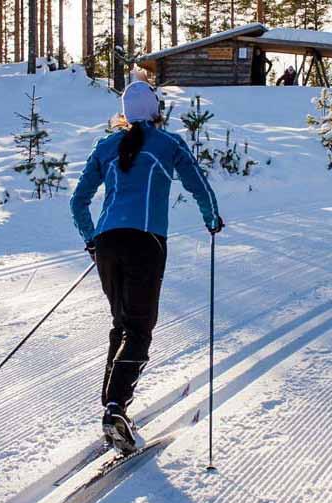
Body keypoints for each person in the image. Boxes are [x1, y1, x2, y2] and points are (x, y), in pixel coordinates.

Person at [70, 81, 223, 454]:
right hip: (147, 242)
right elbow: (198, 185)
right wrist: (212, 218)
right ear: (156, 111)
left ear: (124, 113)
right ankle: (115, 408)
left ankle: (112, 406)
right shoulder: (168, 144)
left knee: (121, 324)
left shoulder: (105, 147)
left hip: (107, 243)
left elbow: (78, 202)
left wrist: (92, 239)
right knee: (138, 328)